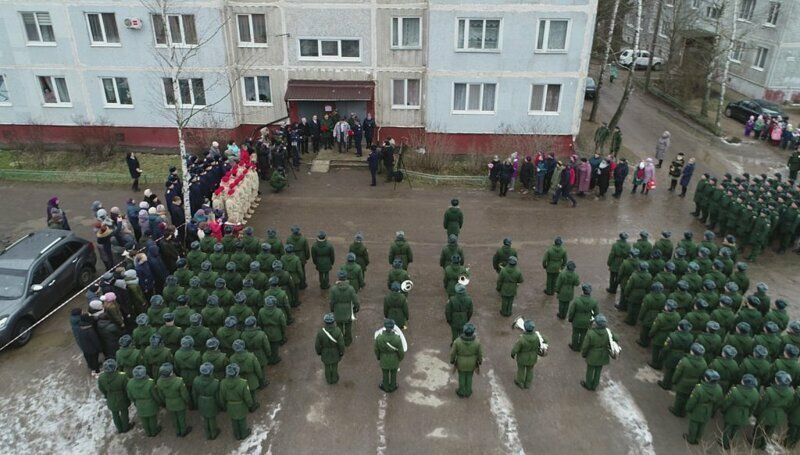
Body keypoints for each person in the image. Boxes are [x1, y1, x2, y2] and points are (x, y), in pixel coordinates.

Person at [752, 371, 795, 449]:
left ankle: (756, 444)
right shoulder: (790, 393)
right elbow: (789, 405)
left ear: (777, 381)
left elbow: (762, 404)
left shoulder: (769, 391)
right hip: (779, 413)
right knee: (770, 430)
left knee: (759, 430)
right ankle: (764, 444)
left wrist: (756, 412)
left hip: (766, 413)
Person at [720, 373, 760, 449]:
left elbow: (727, 402)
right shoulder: (755, 393)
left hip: (732, 413)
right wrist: (748, 415)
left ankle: (725, 444)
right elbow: (753, 407)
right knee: (735, 429)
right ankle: (731, 442)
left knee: (727, 429)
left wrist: (723, 409)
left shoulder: (735, 391)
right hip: (744, 413)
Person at [683, 369, 724, 445]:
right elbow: (718, 402)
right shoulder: (719, 389)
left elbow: (692, 401)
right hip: (708, 409)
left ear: (706, 379)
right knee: (703, 425)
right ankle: (698, 438)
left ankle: (691, 439)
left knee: (694, 424)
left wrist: (688, 408)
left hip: (698, 409)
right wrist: (713, 409)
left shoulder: (699, 388)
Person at [669, 343, 708, 417]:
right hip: (694, 383)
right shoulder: (704, 363)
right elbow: (702, 376)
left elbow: (678, 373)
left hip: (682, 383)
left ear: (692, 352)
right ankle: (683, 412)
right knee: (688, 397)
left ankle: (676, 411)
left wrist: (674, 380)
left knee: (679, 397)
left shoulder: (685, 361)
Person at [580, 314, 617, 391]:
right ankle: (594, 385)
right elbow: (616, 338)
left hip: (592, 354)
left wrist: (584, 354)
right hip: (603, 354)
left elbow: (585, 346)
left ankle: (588, 384)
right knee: (598, 370)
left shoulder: (590, 333)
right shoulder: (608, 332)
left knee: (590, 370)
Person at [155, 362, 192, 437]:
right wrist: (187, 401)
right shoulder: (178, 381)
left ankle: (178, 431)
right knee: (181, 417)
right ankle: (183, 431)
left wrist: (164, 402)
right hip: (179, 402)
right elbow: (184, 394)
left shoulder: (159, 382)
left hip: (169, 402)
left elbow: (161, 395)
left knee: (174, 417)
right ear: (171, 372)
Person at [220, 363, 255, 440]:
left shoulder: (223, 382)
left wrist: (223, 405)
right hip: (241, 405)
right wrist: (250, 404)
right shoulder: (242, 383)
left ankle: (237, 435)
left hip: (230, 405)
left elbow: (222, 396)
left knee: (234, 421)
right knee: (242, 420)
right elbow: (247, 397)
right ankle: (243, 433)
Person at [97, 359, 132, 434]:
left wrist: (106, 395)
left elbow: (101, 388)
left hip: (110, 397)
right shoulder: (122, 376)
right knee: (124, 412)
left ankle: (119, 428)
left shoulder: (101, 377)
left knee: (115, 414)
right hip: (122, 397)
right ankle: (126, 427)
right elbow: (127, 388)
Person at [511, 319, 546, 389]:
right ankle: (528, 384)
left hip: (522, 358)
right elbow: (545, 340)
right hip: (533, 357)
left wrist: (513, 354)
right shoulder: (537, 337)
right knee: (530, 370)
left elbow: (516, 348)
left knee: (521, 370)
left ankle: (520, 382)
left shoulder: (522, 339)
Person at [126, 365, 161, 437]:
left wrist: (135, 402)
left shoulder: (130, 383)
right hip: (151, 403)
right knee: (152, 418)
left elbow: (130, 395)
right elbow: (155, 395)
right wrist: (158, 401)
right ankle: (154, 432)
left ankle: (148, 432)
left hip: (139, 403)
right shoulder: (150, 383)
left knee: (143, 419)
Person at [450, 323, 483, 398]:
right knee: (469, 376)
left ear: (464, 331)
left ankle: (461, 391)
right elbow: (480, 353)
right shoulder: (477, 342)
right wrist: (480, 361)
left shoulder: (457, 341)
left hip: (461, 362)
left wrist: (452, 360)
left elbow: (453, 353)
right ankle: (468, 391)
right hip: (472, 363)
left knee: (461, 376)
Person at [193, 362, 223, 440]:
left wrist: (196, 402)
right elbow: (218, 396)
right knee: (212, 418)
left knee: (205, 418)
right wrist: (220, 404)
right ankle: (213, 433)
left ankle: (207, 433)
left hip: (201, 400)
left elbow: (194, 393)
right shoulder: (215, 382)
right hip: (211, 402)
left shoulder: (196, 380)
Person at [329, 270, 359, 346]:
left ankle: (340, 341)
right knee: (348, 327)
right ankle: (348, 341)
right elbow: (356, 300)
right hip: (348, 310)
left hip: (338, 310)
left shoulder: (333, 289)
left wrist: (332, 309)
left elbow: (331, 301)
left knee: (339, 327)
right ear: (346, 278)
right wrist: (357, 308)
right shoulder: (351, 289)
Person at [375, 319, 405, 393]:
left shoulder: (379, 338)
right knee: (393, 373)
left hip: (384, 358)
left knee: (385, 373)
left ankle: (385, 386)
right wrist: (399, 359)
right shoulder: (397, 338)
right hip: (394, 359)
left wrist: (379, 357)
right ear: (392, 327)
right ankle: (392, 386)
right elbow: (401, 351)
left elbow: (376, 349)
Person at [315, 313, 346, 385]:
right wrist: (341, 352)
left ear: (325, 322)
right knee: (335, 366)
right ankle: (334, 379)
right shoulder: (338, 331)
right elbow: (341, 344)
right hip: (335, 352)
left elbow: (317, 345)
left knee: (327, 366)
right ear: (333, 321)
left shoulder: (321, 332)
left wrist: (319, 352)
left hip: (325, 352)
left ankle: (329, 380)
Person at [567, 284, 598, 351]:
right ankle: (580, 347)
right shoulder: (593, 301)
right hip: (587, 321)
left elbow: (572, 311)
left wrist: (570, 318)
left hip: (577, 320)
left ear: (583, 291)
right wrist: (593, 320)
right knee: (584, 334)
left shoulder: (577, 301)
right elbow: (596, 313)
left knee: (575, 333)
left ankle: (574, 346)